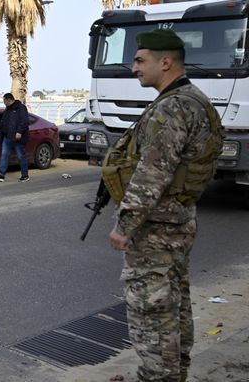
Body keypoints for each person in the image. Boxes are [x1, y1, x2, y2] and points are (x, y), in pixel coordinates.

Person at [106, 29, 223, 382]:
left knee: (151, 310)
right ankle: (173, 374)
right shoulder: (192, 99)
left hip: (157, 228)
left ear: (166, 62)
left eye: (141, 60)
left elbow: (153, 173)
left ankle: (159, 376)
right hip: (177, 220)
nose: (134, 68)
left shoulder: (173, 107)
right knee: (173, 305)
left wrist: (124, 225)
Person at [0, 92, 29, 182]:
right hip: (7, 136)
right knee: (4, 155)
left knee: (21, 156)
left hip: (17, 137)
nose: (3, 102)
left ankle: (25, 175)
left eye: (4, 100)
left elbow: (24, 121)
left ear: (8, 100)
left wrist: (19, 132)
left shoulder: (21, 108)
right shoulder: (7, 109)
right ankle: (1, 175)